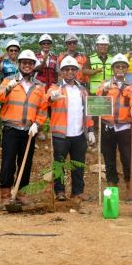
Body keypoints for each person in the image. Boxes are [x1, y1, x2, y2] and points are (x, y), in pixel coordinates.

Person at [0, 49, 48, 209]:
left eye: (30, 63)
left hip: (29, 130)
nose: (27, 65)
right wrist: (8, 89)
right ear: (19, 64)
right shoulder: (8, 80)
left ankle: (20, 193)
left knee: (25, 163)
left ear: (34, 66)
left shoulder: (39, 86)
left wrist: (37, 124)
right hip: (11, 128)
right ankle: (6, 195)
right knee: (8, 162)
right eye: (24, 62)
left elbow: (42, 109)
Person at [47, 56, 94, 202]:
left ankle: (77, 192)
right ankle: (60, 191)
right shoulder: (55, 88)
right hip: (61, 135)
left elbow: (88, 112)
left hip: (79, 134)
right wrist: (51, 98)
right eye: (66, 69)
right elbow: (46, 99)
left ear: (77, 72)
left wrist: (91, 130)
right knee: (59, 165)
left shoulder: (82, 90)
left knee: (78, 165)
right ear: (61, 72)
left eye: (72, 69)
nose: (69, 72)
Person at [96, 54, 132, 198]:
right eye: (117, 66)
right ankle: (112, 186)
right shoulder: (105, 83)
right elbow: (97, 97)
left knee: (127, 158)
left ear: (127, 69)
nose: (120, 69)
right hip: (107, 127)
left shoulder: (131, 86)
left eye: (123, 66)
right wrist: (104, 90)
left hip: (124, 127)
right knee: (109, 158)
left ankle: (130, 186)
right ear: (113, 68)